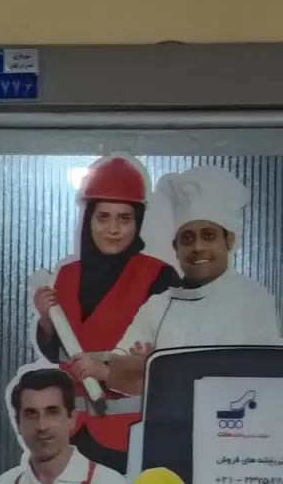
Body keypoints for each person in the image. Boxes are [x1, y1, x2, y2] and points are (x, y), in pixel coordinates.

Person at [31, 155, 181, 474]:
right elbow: (58, 353)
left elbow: (172, 362)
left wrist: (111, 370)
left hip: (130, 437)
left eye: (124, 219)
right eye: (103, 218)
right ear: (89, 220)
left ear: (138, 222)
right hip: (72, 434)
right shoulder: (67, 275)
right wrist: (46, 320)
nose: (113, 230)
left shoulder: (160, 277)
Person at [105, 166, 282, 396]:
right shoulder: (158, 306)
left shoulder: (253, 300)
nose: (198, 247)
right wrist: (136, 368)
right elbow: (115, 373)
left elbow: (261, 378)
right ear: (176, 249)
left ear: (228, 241)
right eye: (187, 239)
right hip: (167, 417)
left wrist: (155, 366)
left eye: (208, 236)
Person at [0, 368, 126, 484]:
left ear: (72, 419)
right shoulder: (5, 482)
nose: (42, 426)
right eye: (31, 414)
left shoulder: (109, 481)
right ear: (18, 422)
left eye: (52, 412)